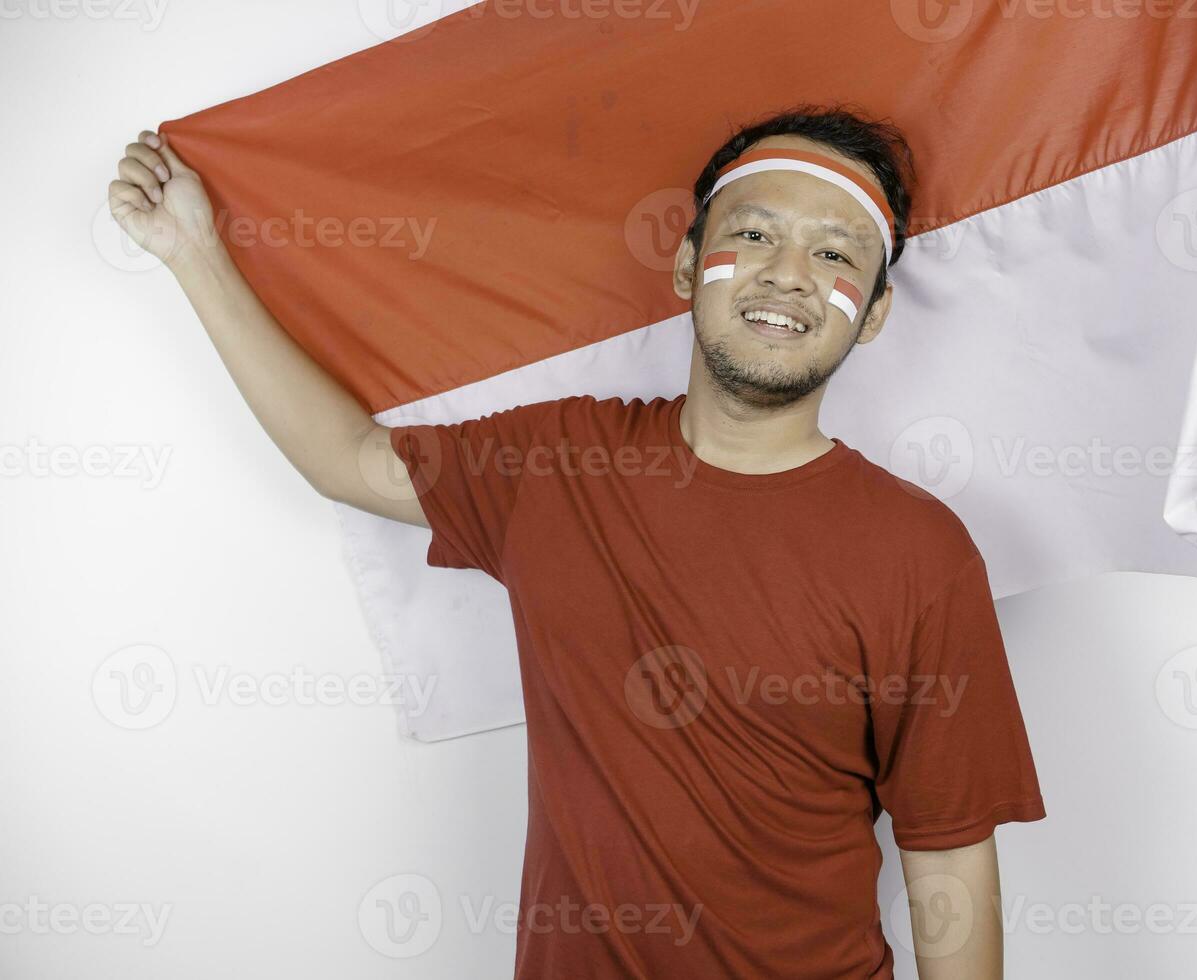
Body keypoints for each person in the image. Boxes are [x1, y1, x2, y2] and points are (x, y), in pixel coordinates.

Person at [108, 104, 1047, 979]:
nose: (787, 273)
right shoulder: (558, 466)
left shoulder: (921, 553)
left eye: (835, 253)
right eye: (755, 233)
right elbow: (349, 459)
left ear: (874, 313)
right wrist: (193, 252)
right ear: (687, 267)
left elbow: (949, 865)